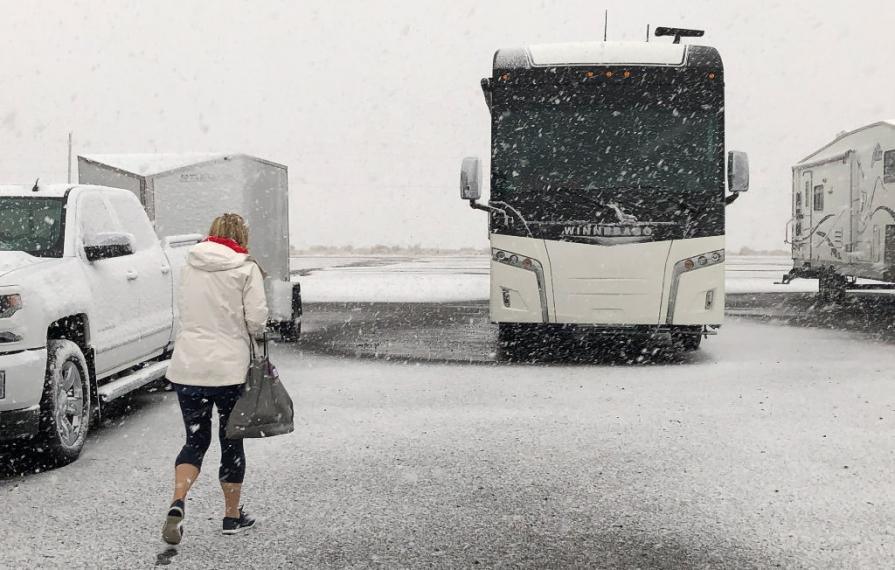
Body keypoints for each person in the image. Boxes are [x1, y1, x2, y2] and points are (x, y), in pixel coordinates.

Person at [161, 213, 269, 545]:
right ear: (241, 236)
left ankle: (178, 501)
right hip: (229, 370)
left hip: (188, 367)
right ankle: (232, 517)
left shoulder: (189, 266)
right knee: (230, 440)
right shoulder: (246, 268)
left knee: (195, 440)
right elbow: (257, 321)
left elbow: (186, 312)